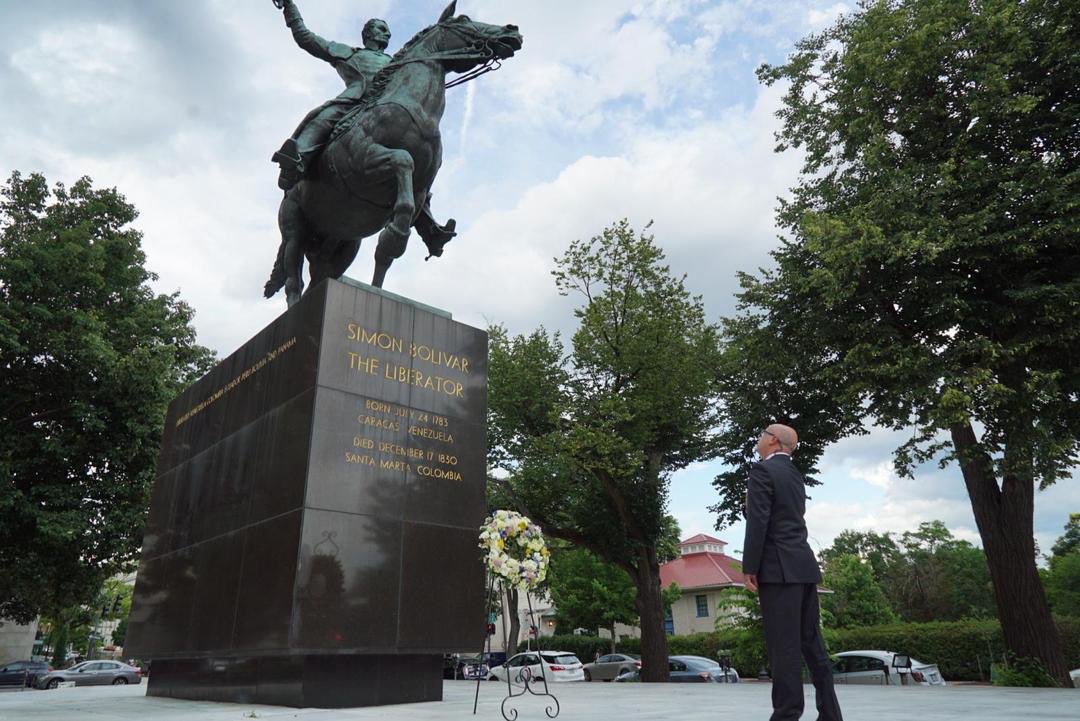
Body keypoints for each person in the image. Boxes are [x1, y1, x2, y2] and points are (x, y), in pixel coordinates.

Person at [742, 424, 843, 721]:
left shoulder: (762, 472)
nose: (759, 438)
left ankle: (786, 715)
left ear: (773, 440)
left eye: (762, 433)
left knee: (783, 647)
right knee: (812, 643)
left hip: (778, 570)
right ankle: (831, 714)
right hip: (803, 566)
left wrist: (750, 566)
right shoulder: (795, 474)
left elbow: (758, 522)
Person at [272, 0, 393, 190]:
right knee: (322, 119)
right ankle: (294, 161)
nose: (388, 33)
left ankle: (422, 208)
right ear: (368, 33)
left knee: (418, 138)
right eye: (381, 28)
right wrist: (289, 6)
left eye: (387, 30)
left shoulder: (397, 62)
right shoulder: (348, 53)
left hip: (387, 106)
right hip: (354, 103)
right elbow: (306, 37)